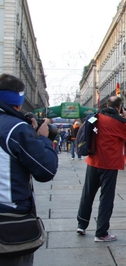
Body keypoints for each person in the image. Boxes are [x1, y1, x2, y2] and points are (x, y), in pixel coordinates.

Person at [0, 74, 58, 266]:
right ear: (17, 102)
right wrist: (42, 138)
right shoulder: (15, 128)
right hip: (9, 222)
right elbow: (45, 170)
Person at [76, 96, 126, 242]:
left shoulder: (95, 116)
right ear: (119, 107)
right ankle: (101, 232)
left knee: (87, 194)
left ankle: (81, 224)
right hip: (109, 164)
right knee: (106, 198)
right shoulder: (118, 122)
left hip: (93, 160)